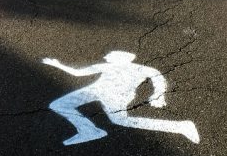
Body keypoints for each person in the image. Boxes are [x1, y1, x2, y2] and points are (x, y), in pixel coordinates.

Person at [42, 51, 199, 146]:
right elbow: (78, 73)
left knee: (121, 121)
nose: (106, 56)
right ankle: (89, 130)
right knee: (60, 104)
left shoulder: (141, 68)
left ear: (121, 58)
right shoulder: (106, 66)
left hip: (117, 96)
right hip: (95, 90)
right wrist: (58, 65)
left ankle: (181, 127)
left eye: (110, 55)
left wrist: (158, 95)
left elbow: (157, 77)